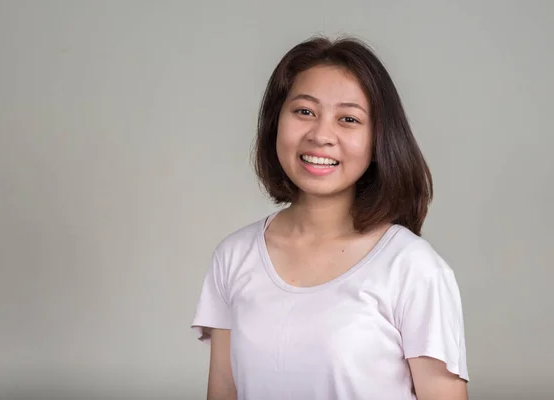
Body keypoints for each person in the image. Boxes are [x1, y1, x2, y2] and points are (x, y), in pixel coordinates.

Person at [191, 35, 469, 400]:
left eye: (348, 119)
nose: (321, 135)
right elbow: (223, 392)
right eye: (304, 111)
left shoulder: (413, 268)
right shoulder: (234, 256)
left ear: (378, 141)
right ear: (276, 121)